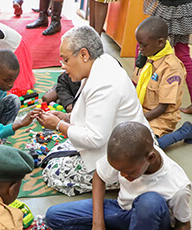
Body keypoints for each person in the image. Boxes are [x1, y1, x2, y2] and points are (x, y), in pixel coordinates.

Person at [46, 122, 191, 230]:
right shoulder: (124, 158)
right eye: (119, 170)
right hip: (122, 210)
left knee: (151, 203)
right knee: (54, 217)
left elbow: (184, 226)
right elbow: (99, 177)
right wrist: (98, 224)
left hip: (153, 229)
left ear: (150, 157)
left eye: (128, 172)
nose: (122, 175)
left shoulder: (177, 186)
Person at [36, 26, 150, 196]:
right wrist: (67, 118)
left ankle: (121, 180)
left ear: (84, 54)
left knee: (53, 172)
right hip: (113, 138)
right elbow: (95, 113)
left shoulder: (104, 84)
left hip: (124, 153)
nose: (63, 67)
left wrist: (59, 125)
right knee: (53, 155)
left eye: (66, 60)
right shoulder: (101, 62)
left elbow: (95, 138)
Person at [132, 16, 192, 149]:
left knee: (144, 149)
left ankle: (184, 131)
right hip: (141, 109)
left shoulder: (171, 68)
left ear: (160, 43)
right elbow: (135, 84)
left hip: (160, 117)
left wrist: (138, 119)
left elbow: (162, 108)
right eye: (139, 44)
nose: (139, 49)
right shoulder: (147, 56)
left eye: (143, 45)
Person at [143, 0, 192, 115]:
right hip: (184, 7)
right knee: (183, 53)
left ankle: (135, 90)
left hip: (170, 8)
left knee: (144, 46)